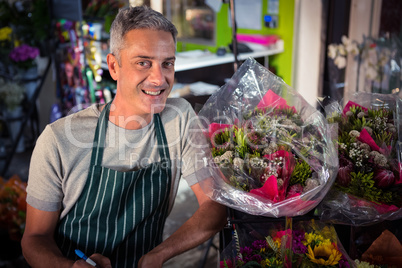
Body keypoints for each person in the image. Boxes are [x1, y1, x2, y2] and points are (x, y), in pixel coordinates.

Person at [21, 5, 226, 268]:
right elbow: (34, 239)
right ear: (114, 67)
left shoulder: (180, 118)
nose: (159, 79)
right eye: (143, 63)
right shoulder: (59, 139)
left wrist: (159, 254)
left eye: (167, 64)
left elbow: (214, 206)